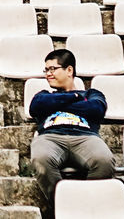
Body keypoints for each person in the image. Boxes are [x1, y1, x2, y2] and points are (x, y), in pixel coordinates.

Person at [28, 49, 115, 210]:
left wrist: (56, 103)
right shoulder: (44, 95)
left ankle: (86, 206)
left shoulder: (91, 94)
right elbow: (35, 107)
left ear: (69, 70)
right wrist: (73, 97)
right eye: (46, 70)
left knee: (104, 160)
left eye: (53, 69)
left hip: (85, 137)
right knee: (40, 159)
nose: (48, 74)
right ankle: (64, 207)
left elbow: (96, 109)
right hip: (50, 137)